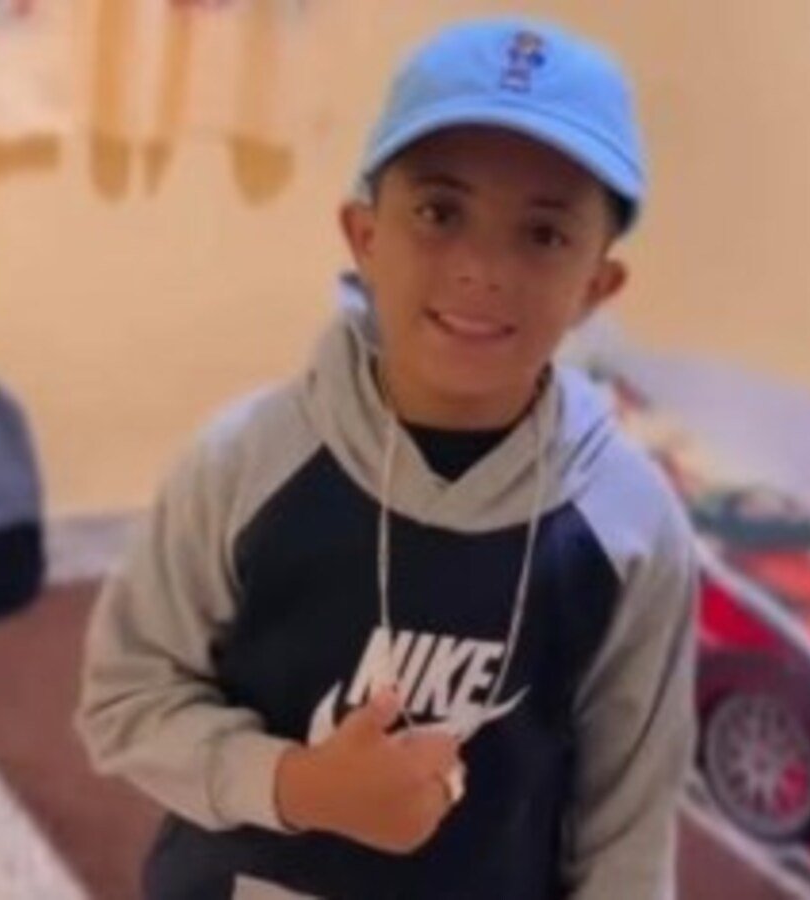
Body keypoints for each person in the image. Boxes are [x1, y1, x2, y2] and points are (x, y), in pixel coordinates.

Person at [75, 16, 699, 899]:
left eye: (544, 234)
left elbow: (627, 823)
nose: (482, 267)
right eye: (440, 213)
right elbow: (126, 702)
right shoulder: (239, 465)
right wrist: (296, 785)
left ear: (599, 285)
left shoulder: (632, 527)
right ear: (363, 235)